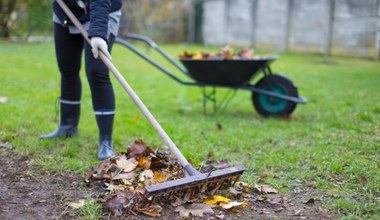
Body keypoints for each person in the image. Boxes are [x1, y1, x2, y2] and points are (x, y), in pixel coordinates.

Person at [40, 0, 123, 160]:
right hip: (66, 12)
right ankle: (67, 127)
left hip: (101, 13)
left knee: (97, 73)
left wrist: (98, 35)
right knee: (67, 69)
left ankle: (106, 141)